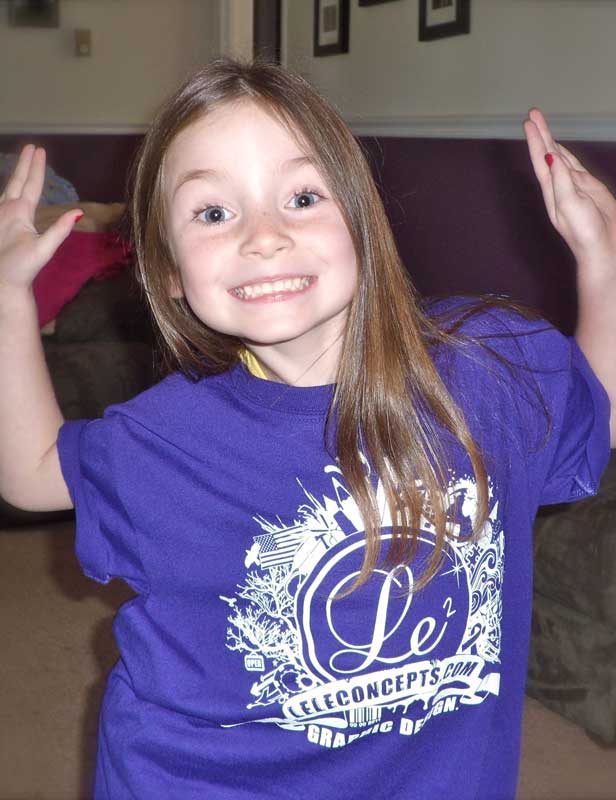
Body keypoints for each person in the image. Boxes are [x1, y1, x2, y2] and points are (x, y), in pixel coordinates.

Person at [0, 58, 613, 800]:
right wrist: (7, 301)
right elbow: (32, 475)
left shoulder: (490, 369)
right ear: (167, 272)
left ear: (362, 221)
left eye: (301, 197)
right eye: (213, 213)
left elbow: (592, 409)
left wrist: (605, 265)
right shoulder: (164, 440)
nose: (264, 235)